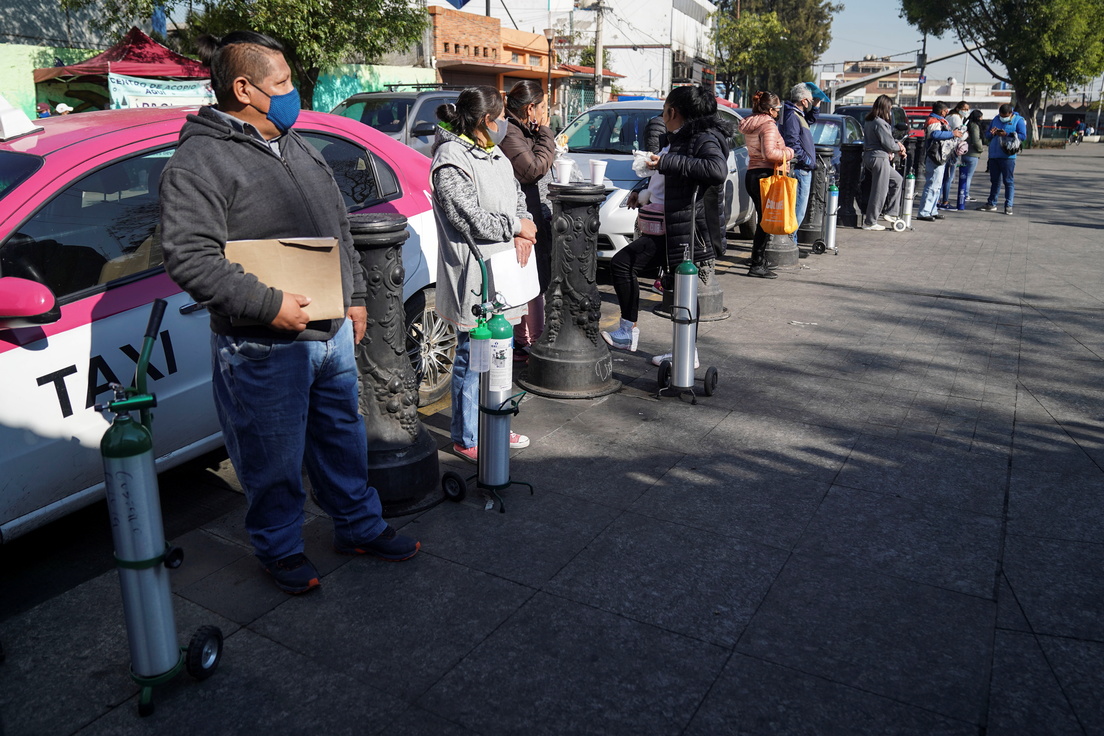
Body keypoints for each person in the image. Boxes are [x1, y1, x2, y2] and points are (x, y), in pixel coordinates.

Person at [159, 31, 419, 595]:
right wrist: (268, 305)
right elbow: (189, 257)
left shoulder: (295, 144)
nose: (292, 92)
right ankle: (279, 548)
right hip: (263, 343)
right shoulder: (198, 161)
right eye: (281, 83)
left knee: (342, 439)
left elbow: (338, 223)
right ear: (244, 89)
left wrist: (353, 294)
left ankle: (357, 525)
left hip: (330, 331)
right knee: (270, 454)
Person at [430, 86, 535, 463]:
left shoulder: (494, 151)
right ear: (486, 120)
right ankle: (467, 435)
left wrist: (524, 226)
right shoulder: (451, 159)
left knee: (500, 356)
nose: (505, 122)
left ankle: (496, 423)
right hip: (474, 275)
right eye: (502, 117)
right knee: (474, 358)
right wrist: (516, 227)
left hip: (504, 271)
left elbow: (518, 195)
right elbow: (469, 218)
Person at [601, 85, 729, 354]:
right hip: (668, 226)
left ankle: (636, 335)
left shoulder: (703, 138)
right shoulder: (680, 138)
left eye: (664, 110)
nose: (662, 116)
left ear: (673, 112)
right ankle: (684, 353)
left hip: (684, 229)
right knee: (680, 289)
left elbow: (716, 170)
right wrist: (642, 195)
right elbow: (667, 183)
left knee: (625, 265)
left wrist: (664, 163)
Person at [499, 80, 555, 363]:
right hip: (524, 216)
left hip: (534, 213)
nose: (545, 113)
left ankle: (527, 342)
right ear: (531, 108)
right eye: (543, 107)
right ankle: (528, 342)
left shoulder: (522, 130)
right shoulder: (510, 132)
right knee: (530, 280)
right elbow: (532, 169)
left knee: (535, 279)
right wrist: (545, 133)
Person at [738, 91, 794, 277]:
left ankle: (759, 259)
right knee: (765, 220)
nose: (778, 112)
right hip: (765, 175)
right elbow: (769, 153)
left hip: (753, 174)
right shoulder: (768, 125)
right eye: (777, 109)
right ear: (770, 110)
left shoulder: (752, 122)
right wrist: (789, 153)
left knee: (764, 218)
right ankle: (757, 264)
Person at [861, 94, 906, 231]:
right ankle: (870, 222)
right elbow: (889, 144)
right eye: (890, 108)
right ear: (885, 108)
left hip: (871, 156)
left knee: (897, 179)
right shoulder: (880, 123)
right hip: (879, 158)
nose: (890, 111)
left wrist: (895, 144)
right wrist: (900, 147)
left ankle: (891, 212)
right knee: (880, 190)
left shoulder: (870, 120)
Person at [780, 83, 818, 242]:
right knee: (798, 209)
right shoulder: (792, 116)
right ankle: (790, 242)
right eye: (810, 100)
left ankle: (791, 241)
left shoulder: (797, 114)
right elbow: (792, 144)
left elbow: (810, 120)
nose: (811, 102)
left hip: (803, 168)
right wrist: (807, 160)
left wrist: (815, 106)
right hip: (801, 169)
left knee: (799, 209)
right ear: (803, 101)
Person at [915, 101, 964, 223]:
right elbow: (935, 134)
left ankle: (932, 210)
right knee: (932, 184)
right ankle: (924, 212)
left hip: (940, 156)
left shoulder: (940, 121)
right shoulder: (933, 121)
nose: (947, 112)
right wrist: (952, 133)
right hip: (935, 156)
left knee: (937, 186)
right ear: (942, 111)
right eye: (946, 110)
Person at [977, 103, 1027, 216]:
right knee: (995, 181)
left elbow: (1023, 136)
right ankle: (992, 203)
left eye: (1005, 116)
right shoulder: (996, 119)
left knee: (1008, 181)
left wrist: (1007, 134)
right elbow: (987, 135)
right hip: (994, 155)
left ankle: (1008, 205)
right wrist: (991, 133)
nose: (1002, 118)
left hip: (1008, 156)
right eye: (1001, 115)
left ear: (1011, 113)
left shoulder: (1018, 120)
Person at [939, 101, 970, 208]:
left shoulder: (950, 116)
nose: (966, 111)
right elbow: (959, 135)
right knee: (949, 177)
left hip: (945, 149)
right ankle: (945, 201)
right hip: (951, 150)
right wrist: (966, 134)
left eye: (967, 109)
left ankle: (938, 199)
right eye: (964, 109)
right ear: (958, 109)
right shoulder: (956, 118)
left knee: (943, 176)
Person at [956, 109, 985, 208]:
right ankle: (966, 194)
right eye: (981, 117)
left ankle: (963, 193)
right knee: (969, 176)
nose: (982, 119)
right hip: (973, 153)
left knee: (964, 175)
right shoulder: (975, 126)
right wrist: (981, 149)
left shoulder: (967, 123)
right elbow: (976, 140)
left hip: (965, 152)